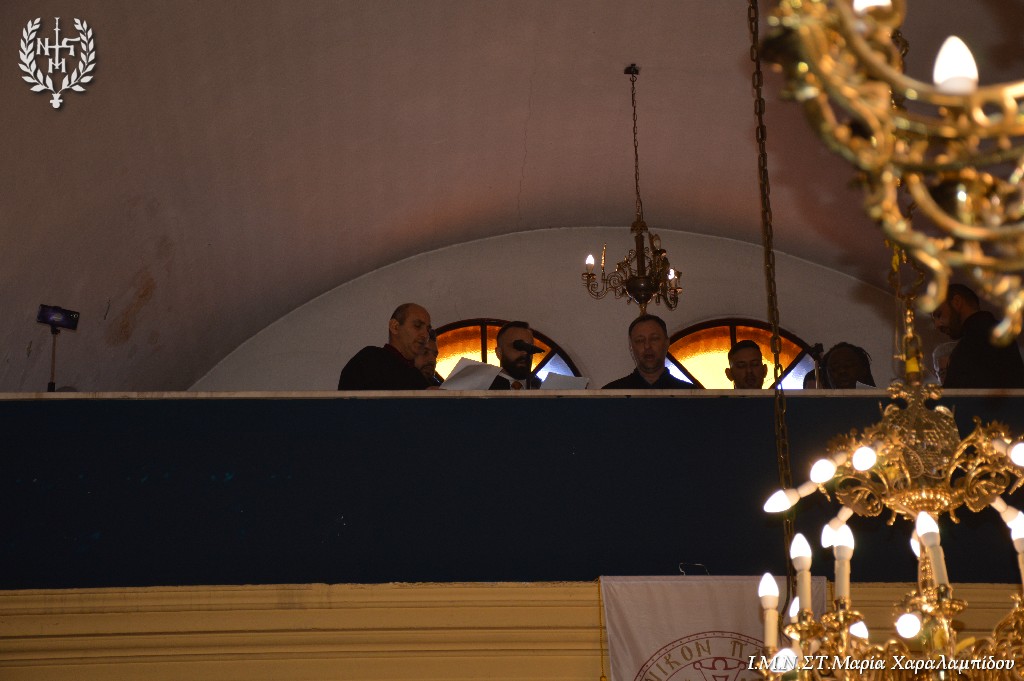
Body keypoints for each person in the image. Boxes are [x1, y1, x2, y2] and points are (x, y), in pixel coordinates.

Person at [932, 283, 1024, 388]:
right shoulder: (993, 334)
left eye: (939, 314)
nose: (937, 325)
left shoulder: (975, 342)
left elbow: (959, 395)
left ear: (957, 302)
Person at [337, 303, 433, 390]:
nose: (425, 335)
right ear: (395, 326)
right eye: (417, 325)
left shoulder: (418, 377)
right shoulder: (370, 359)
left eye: (428, 330)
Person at [603, 314, 690, 389]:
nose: (647, 346)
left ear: (667, 343)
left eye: (654, 339)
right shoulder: (611, 394)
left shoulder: (690, 395)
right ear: (631, 347)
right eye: (640, 340)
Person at [489, 321, 543, 390]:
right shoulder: (484, 387)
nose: (525, 352)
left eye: (529, 347)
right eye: (518, 346)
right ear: (499, 353)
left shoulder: (542, 389)